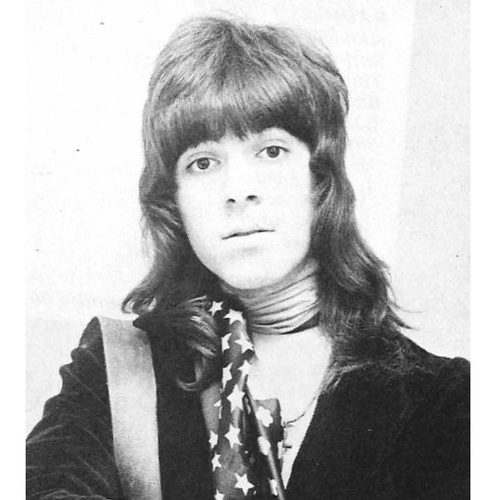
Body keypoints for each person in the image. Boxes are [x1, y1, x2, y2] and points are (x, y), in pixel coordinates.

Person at [26, 15, 469, 500]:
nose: (238, 190)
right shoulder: (117, 370)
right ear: (174, 202)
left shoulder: (443, 401)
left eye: (272, 151)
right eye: (203, 163)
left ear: (321, 180)